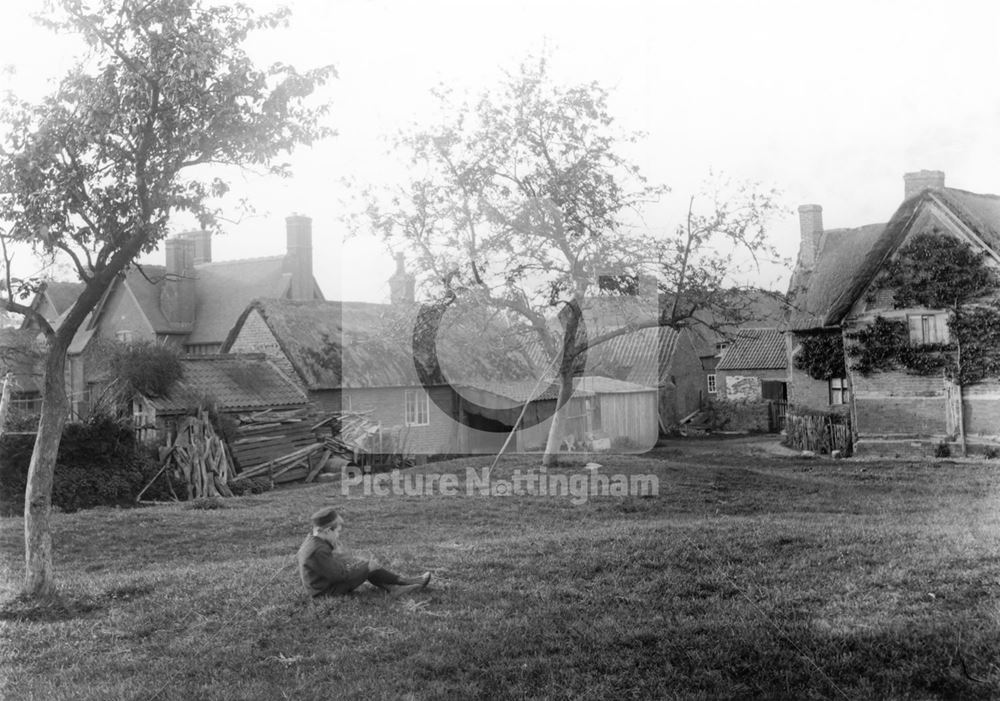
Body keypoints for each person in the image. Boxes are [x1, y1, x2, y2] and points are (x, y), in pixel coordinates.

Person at [297, 506, 431, 598]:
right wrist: (364, 567)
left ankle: (397, 586)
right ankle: (401, 584)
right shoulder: (318, 550)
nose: (338, 535)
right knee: (368, 566)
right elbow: (340, 575)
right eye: (337, 531)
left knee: (365, 564)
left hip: (324, 585)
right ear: (327, 531)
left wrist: (356, 562)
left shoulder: (315, 542)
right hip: (326, 592)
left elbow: (335, 566)